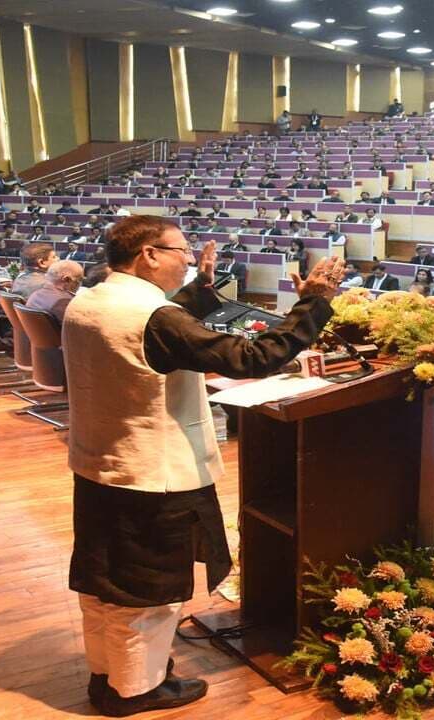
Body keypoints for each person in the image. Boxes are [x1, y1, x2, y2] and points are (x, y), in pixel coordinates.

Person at [62, 216, 340, 716]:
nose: (189, 259)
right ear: (148, 253)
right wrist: (314, 302)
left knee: (105, 583)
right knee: (148, 591)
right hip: (152, 473)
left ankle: (109, 676)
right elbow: (254, 357)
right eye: (181, 251)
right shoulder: (154, 317)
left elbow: (159, 335)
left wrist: (203, 289)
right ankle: (136, 689)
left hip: (100, 464)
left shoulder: (92, 298)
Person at [25, 260, 83, 325]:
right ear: (67, 279)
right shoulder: (64, 301)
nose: (79, 285)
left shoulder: (35, 294)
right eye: (79, 280)